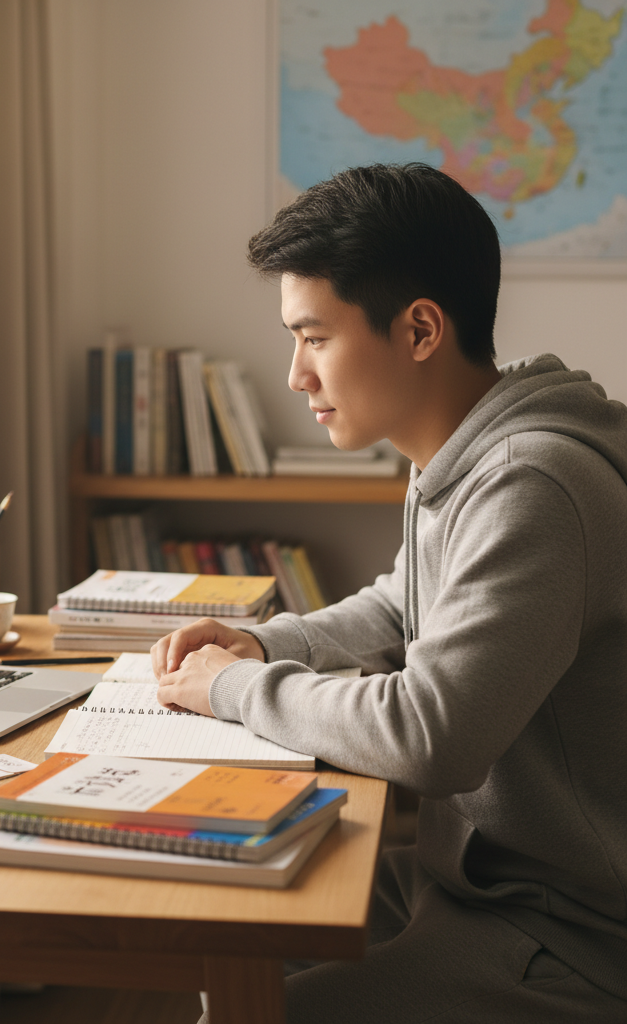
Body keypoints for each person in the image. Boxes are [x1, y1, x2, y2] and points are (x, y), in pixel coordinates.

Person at [153, 164, 627, 1023]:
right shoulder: (465, 450)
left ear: (418, 330)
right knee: (236, 948)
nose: (296, 374)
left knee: (258, 1007)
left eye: (315, 337)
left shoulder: (533, 483)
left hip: (570, 932)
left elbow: (430, 736)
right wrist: (268, 644)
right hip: (475, 884)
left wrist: (231, 689)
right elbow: (404, 605)